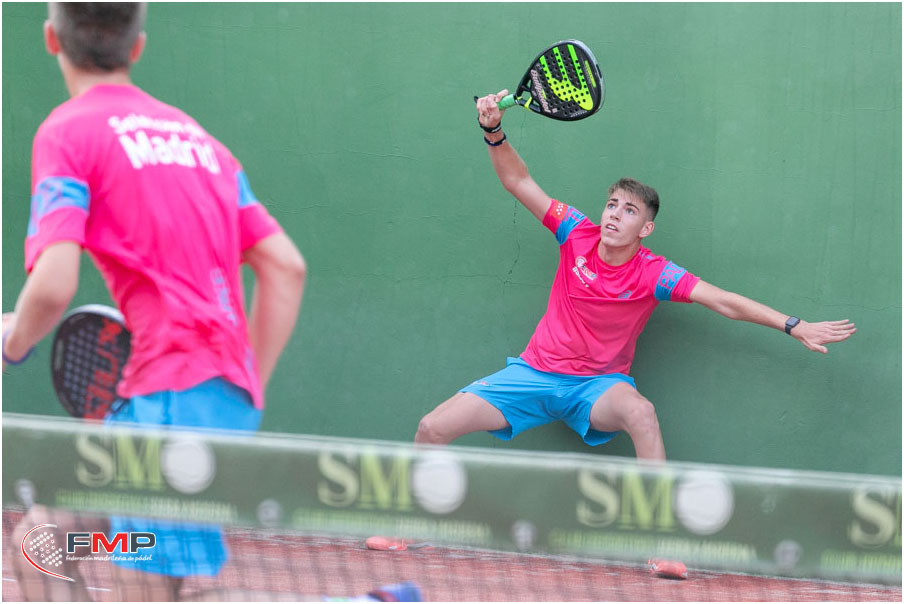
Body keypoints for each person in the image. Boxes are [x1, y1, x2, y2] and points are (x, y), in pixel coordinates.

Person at [4, 3, 306, 600]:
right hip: (190, 405)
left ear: (51, 39)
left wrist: (12, 344)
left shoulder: (68, 132)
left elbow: (54, 283)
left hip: (168, 413)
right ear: (137, 46)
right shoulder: (202, 142)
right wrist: (246, 386)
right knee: (43, 543)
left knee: (145, 589)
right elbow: (285, 268)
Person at [415, 90, 856, 460]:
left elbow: (722, 300)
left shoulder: (654, 273)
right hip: (533, 375)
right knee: (431, 428)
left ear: (645, 229)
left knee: (641, 413)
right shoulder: (575, 232)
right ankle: (407, 522)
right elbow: (519, 182)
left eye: (629, 211)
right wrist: (493, 130)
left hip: (598, 388)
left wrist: (794, 325)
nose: (614, 214)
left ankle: (656, 526)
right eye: (612, 205)